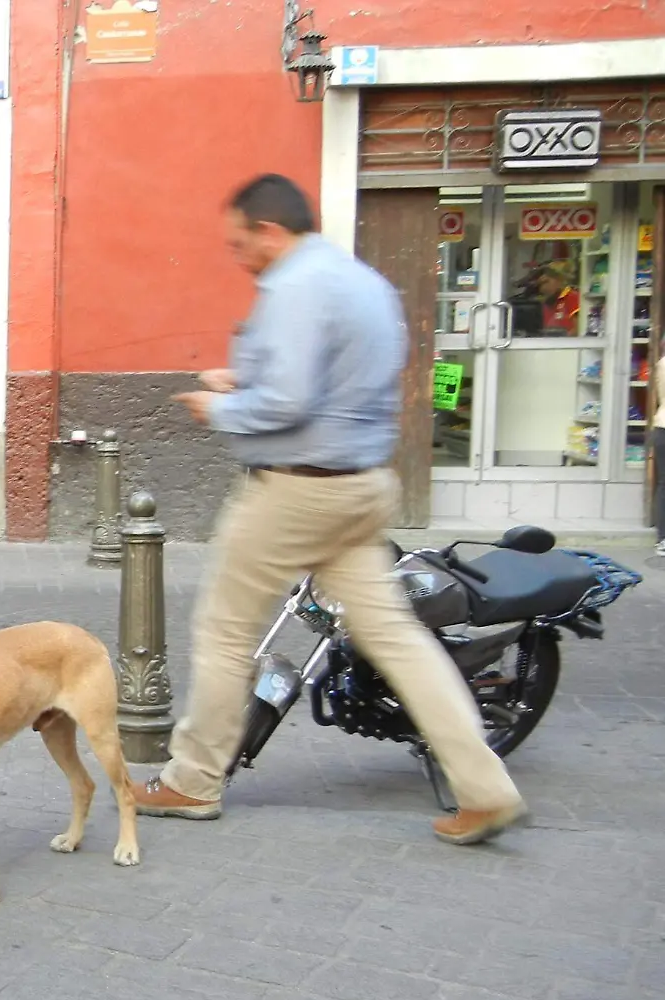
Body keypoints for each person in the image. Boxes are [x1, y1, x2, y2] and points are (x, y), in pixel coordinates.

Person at [138, 173, 528, 845]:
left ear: (269, 229)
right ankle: (486, 787)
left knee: (225, 632)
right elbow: (336, 383)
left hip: (297, 489)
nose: (239, 258)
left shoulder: (293, 286)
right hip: (362, 484)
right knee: (397, 639)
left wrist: (222, 405)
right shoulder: (367, 285)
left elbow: (289, 402)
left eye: (240, 244)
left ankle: (192, 781)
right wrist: (249, 382)